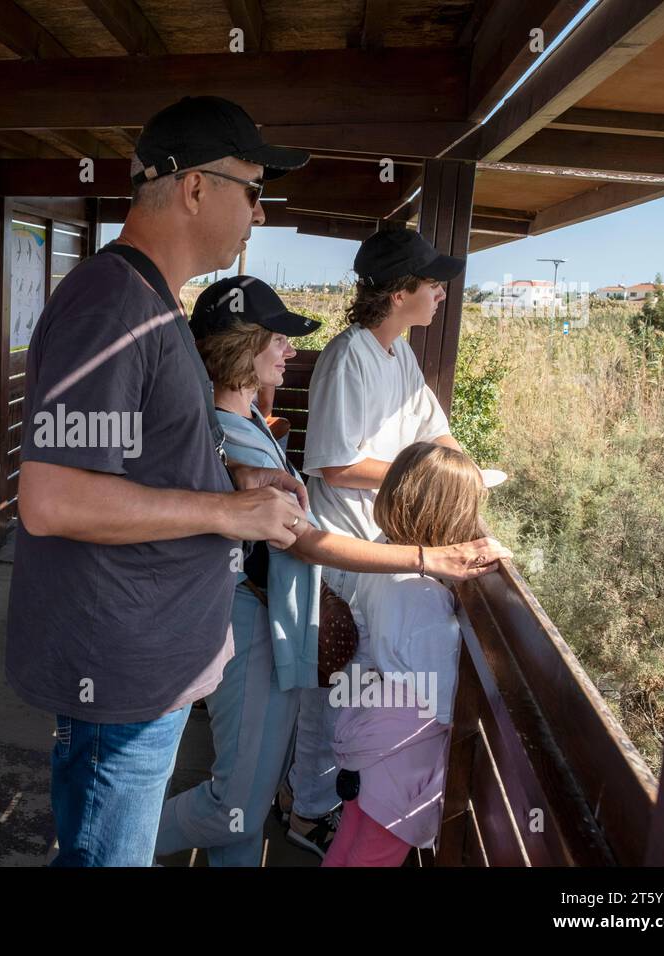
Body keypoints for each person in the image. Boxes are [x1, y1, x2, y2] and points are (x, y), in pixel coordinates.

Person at [6, 96, 315, 867]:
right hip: (119, 678)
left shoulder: (152, 303)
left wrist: (234, 472)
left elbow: (141, 455)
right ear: (196, 188)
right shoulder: (112, 303)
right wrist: (229, 512)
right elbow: (54, 499)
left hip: (148, 667)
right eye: (254, 189)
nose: (260, 213)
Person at [153, 277, 509, 866]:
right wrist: (426, 558)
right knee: (235, 800)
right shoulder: (226, 436)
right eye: (277, 340)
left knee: (247, 800)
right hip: (245, 623)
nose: (291, 351)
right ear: (242, 348)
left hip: (261, 620)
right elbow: (309, 543)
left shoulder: (242, 428)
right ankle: (108, 844)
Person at [283, 227, 473, 855]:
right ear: (398, 294)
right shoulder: (350, 356)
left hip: (384, 545)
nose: (441, 293)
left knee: (360, 683)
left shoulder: (400, 356)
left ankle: (340, 799)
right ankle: (308, 811)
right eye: (430, 283)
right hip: (345, 553)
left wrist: (467, 477)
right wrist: (423, 479)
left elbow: (436, 434)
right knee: (333, 687)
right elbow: (334, 464)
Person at [324, 441, 486, 866]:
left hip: (369, 728)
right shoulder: (423, 599)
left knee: (350, 841)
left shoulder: (384, 555)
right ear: (451, 516)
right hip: (402, 758)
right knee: (374, 856)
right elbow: (444, 696)